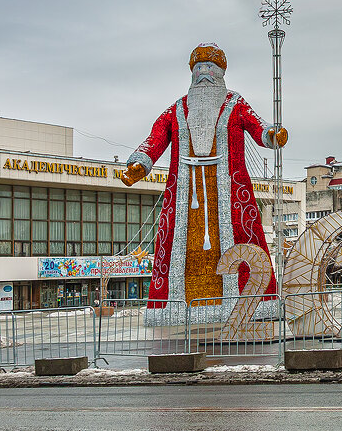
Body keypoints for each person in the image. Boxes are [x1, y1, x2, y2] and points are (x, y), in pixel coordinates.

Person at [122, 42, 287, 324]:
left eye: (210, 68)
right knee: (176, 247)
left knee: (242, 238)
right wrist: (140, 164)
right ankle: (173, 308)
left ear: (221, 73)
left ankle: (249, 306)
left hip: (229, 191)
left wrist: (273, 134)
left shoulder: (235, 103)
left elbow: (259, 127)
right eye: (198, 68)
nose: (203, 73)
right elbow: (156, 137)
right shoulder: (176, 109)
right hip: (185, 192)